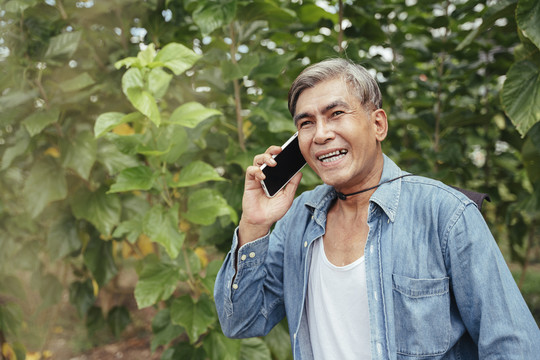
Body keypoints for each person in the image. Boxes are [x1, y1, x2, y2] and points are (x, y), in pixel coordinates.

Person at [214, 58, 540, 359]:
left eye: (336, 114)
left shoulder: (446, 215)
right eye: (306, 123)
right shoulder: (298, 218)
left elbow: (513, 346)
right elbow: (241, 322)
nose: (322, 134)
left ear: (378, 125)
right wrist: (254, 224)